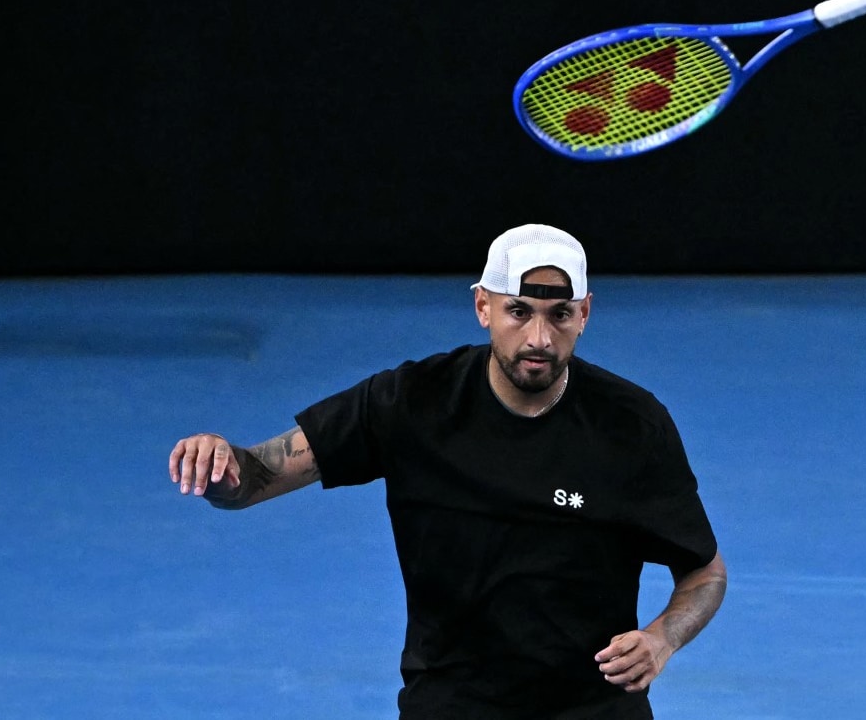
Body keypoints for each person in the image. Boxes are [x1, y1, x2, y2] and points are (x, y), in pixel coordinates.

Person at [168, 224, 727, 719]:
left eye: (559, 315)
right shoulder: (409, 403)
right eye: (518, 312)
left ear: (584, 314)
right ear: (483, 307)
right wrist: (220, 463)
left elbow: (705, 574)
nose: (539, 338)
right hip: (451, 704)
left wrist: (661, 639)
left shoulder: (632, 426)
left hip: (593, 708)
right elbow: (252, 479)